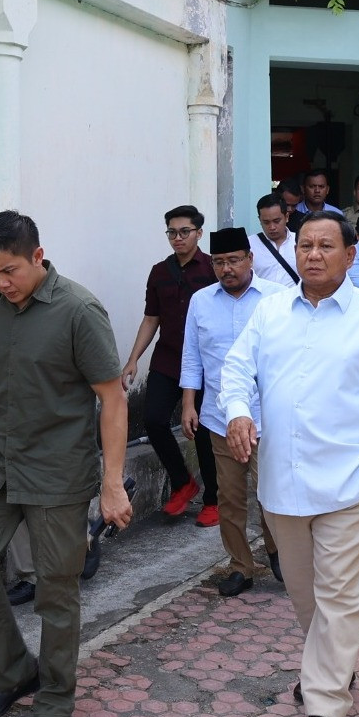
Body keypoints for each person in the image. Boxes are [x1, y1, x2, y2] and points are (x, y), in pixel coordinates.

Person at [220, 213, 359, 717]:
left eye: (325, 245)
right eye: (305, 244)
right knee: (305, 595)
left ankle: (325, 709)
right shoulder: (270, 312)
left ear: (350, 255)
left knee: (339, 597)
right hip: (283, 481)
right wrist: (238, 412)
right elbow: (237, 371)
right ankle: (333, 662)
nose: (312, 254)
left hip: (353, 482)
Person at [0, 212, 135, 717]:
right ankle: (11, 672)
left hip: (56, 471)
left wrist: (112, 483)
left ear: (37, 256)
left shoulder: (79, 310)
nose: (0, 283)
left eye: (8, 270)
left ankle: (54, 702)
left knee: (56, 590)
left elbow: (113, 398)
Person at [180, 228, 277, 597]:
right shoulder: (201, 301)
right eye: (219, 262)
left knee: (272, 492)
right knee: (229, 497)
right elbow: (193, 357)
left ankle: (278, 550)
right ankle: (240, 566)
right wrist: (189, 403)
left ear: (250, 259)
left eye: (234, 260)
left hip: (268, 418)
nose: (227, 268)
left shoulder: (277, 298)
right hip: (219, 418)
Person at [120, 206, 220, 526]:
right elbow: (152, 318)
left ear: (198, 233)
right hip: (167, 359)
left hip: (205, 364)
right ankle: (182, 482)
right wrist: (134, 358)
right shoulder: (159, 272)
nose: (177, 238)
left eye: (184, 232)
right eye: (172, 233)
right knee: (153, 420)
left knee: (203, 430)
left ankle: (213, 499)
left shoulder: (212, 269)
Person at [250, 194, 300, 288]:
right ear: (259, 220)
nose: (272, 227)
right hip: (262, 301)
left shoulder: (301, 242)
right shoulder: (249, 245)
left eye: (276, 221)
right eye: (266, 222)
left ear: (287, 217)